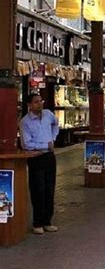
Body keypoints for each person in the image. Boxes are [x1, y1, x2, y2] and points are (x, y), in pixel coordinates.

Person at [20, 93, 59, 234]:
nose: (40, 104)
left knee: (50, 189)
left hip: (49, 156)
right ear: (29, 105)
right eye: (36, 102)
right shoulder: (25, 122)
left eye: (40, 101)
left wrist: (52, 139)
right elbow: (26, 144)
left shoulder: (48, 114)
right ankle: (37, 223)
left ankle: (47, 221)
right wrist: (44, 145)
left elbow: (56, 124)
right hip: (36, 157)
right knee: (38, 190)